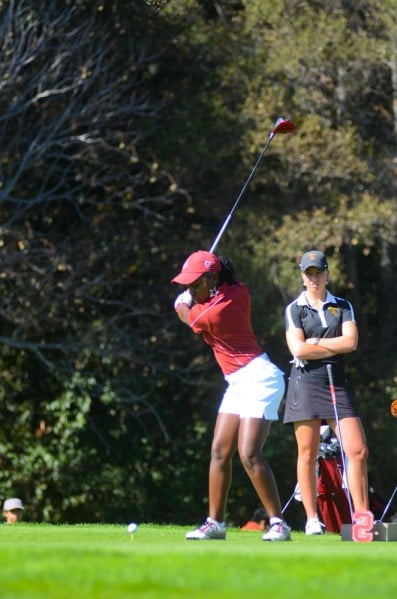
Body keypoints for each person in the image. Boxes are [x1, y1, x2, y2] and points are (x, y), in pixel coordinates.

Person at [172, 250, 291, 541]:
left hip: (261, 378)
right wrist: (194, 292)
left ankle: (278, 524)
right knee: (218, 451)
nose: (189, 290)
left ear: (212, 278)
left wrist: (181, 304)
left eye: (194, 284)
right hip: (237, 381)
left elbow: (188, 317)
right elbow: (207, 295)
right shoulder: (237, 290)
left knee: (249, 453)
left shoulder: (215, 310)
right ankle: (215, 523)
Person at [283, 250, 369, 535]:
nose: (314, 278)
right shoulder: (295, 309)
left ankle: (362, 520)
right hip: (305, 383)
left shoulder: (342, 305)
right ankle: (311, 520)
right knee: (307, 454)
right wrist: (332, 344)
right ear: (302, 277)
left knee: (357, 450)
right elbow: (297, 349)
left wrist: (317, 342)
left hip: (336, 385)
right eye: (309, 274)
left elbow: (352, 342)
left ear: (327, 273)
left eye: (319, 272)